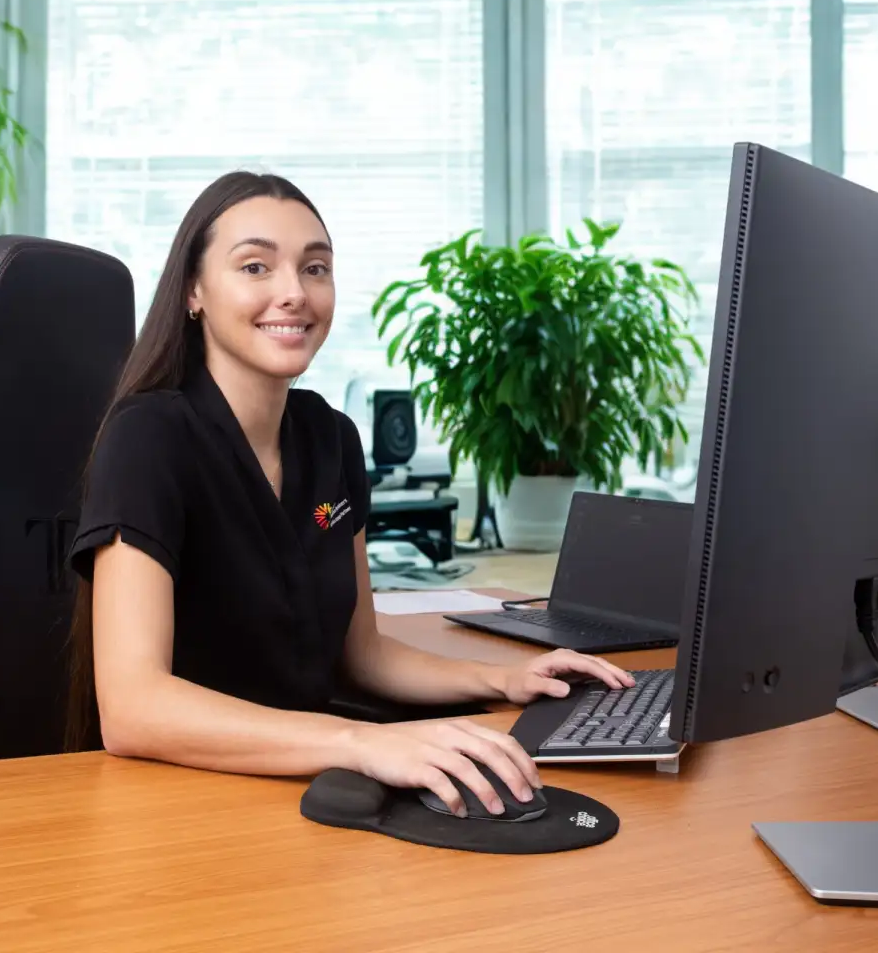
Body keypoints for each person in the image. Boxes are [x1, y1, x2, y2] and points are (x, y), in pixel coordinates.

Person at [64, 171, 634, 818]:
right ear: (193, 290)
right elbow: (133, 708)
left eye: (315, 268)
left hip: (306, 784)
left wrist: (502, 681)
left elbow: (362, 655)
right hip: (183, 799)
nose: (293, 293)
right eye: (255, 266)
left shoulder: (328, 437)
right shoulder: (149, 438)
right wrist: (361, 743)